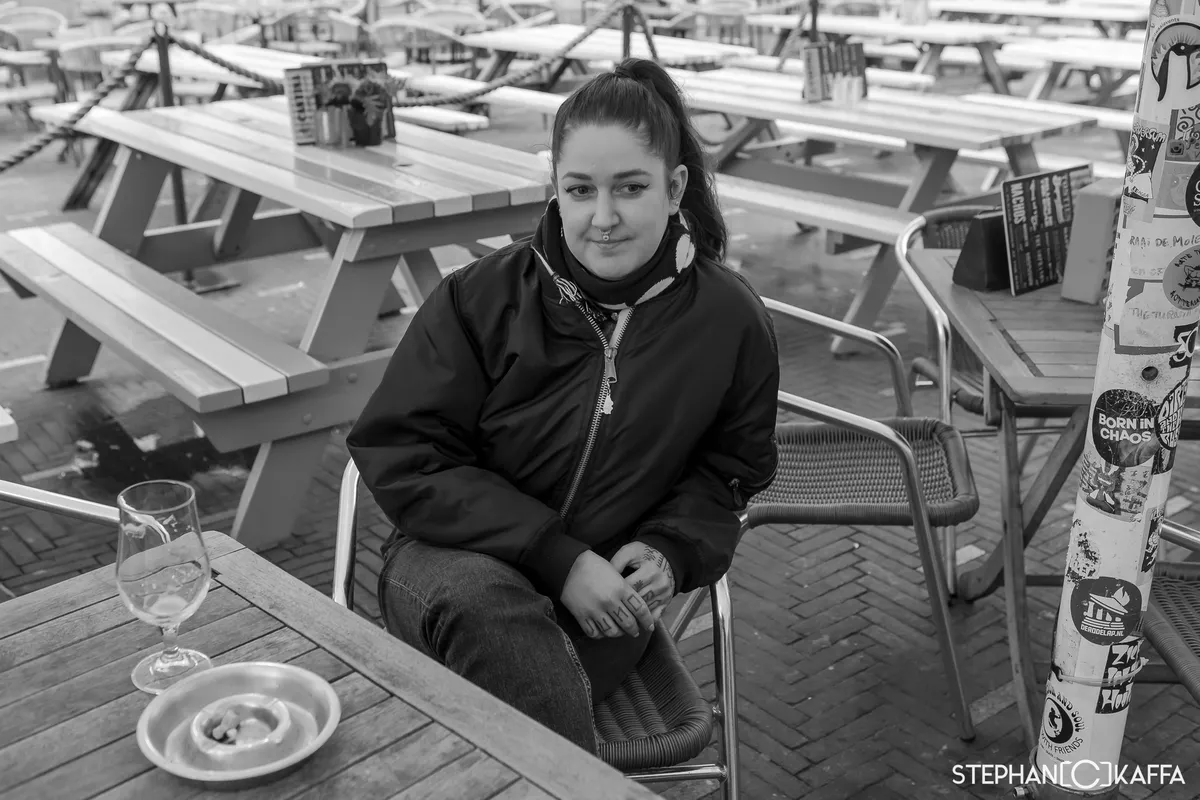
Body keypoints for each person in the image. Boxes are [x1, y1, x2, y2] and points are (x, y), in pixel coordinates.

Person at [346, 57, 780, 755]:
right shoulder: (480, 298)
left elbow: (730, 470)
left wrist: (669, 549)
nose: (602, 218)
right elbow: (403, 452)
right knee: (489, 612)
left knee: (494, 694)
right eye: (580, 190)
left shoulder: (730, 319)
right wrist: (558, 557)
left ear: (674, 189)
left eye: (630, 188)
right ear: (556, 188)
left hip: (602, 607)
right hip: (449, 567)